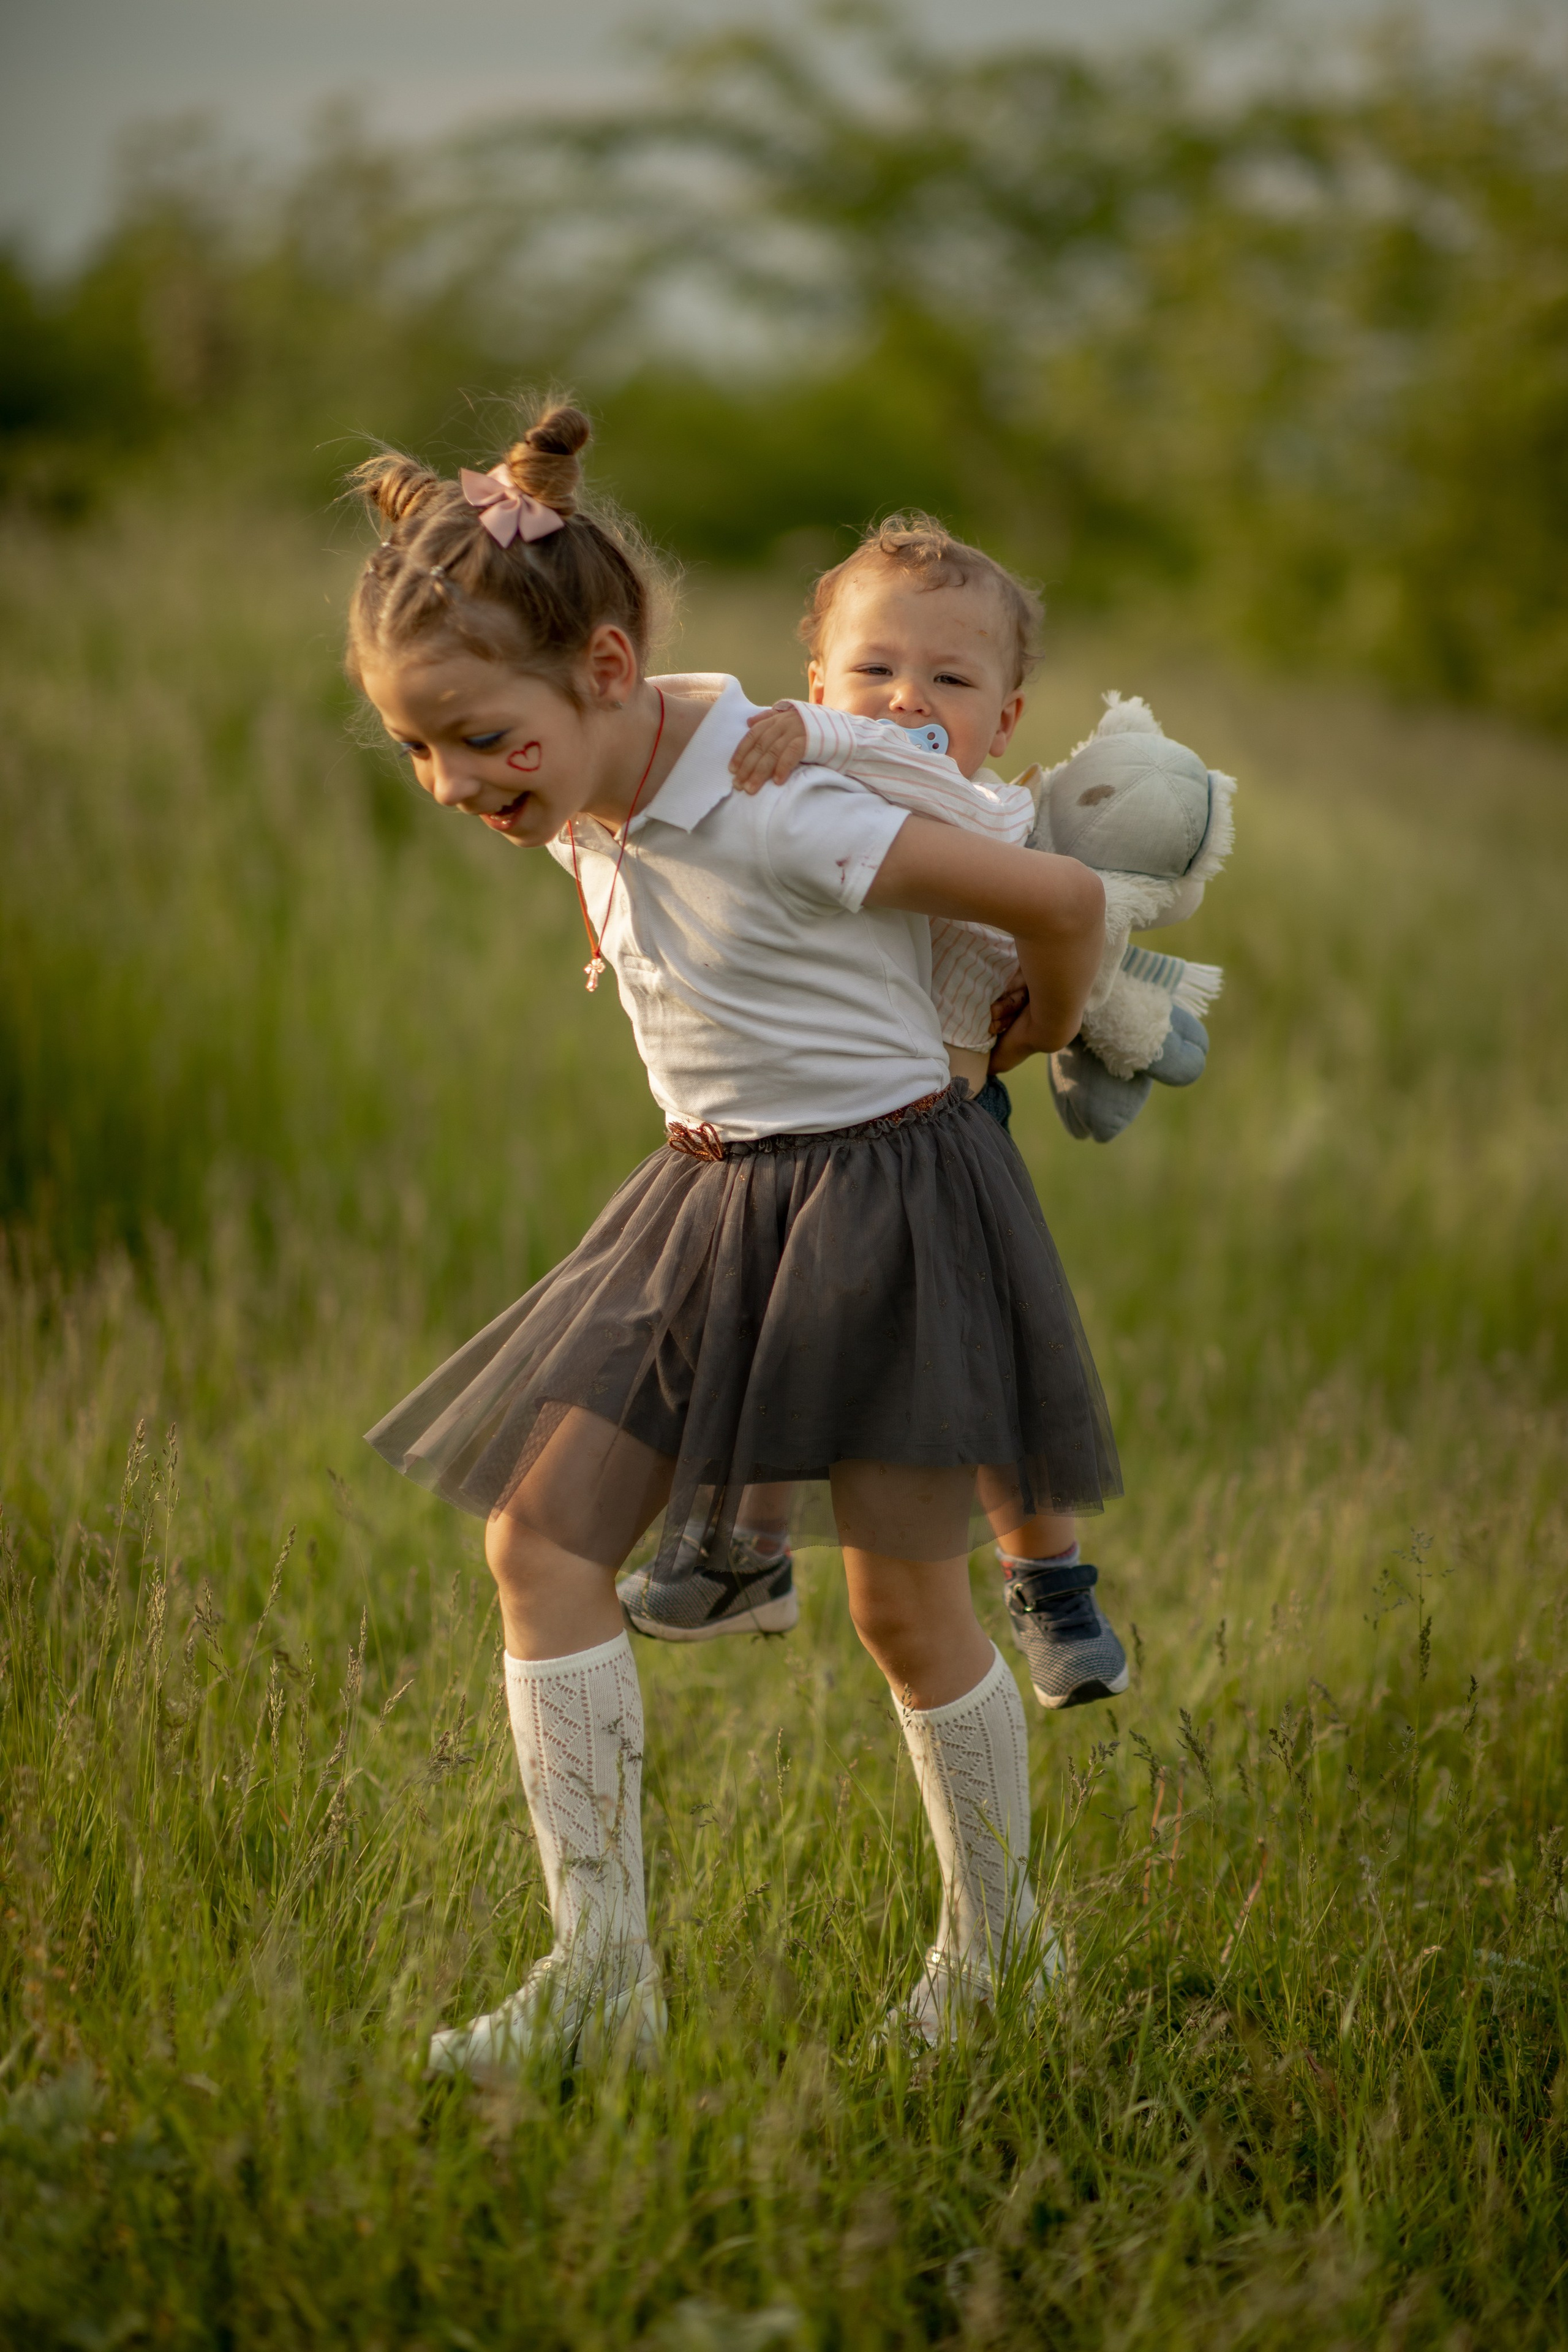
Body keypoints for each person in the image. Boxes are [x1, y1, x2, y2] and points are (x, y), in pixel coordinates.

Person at [349, 404, 1119, 2068]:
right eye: (419, 752)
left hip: (888, 1200)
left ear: (604, 669)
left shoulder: (784, 803)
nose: (453, 784)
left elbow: (1062, 904)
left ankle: (1004, 1960)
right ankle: (601, 1982)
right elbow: (651, 808)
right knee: (541, 1543)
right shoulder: (615, 783)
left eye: (480, 739)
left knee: (906, 1611)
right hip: (707, 1197)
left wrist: (1028, 1040)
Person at [618, 517, 1153, 1715]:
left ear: (1002, 720)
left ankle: (1049, 1580)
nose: (906, 700)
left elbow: (1033, 889)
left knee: (989, 1381)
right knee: (777, 1336)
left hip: (941, 1130)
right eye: (872, 671)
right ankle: (747, 1549)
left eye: (950, 680)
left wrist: (1049, 1029)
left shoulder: (950, 794)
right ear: (819, 676)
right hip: (822, 1136)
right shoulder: (798, 796)